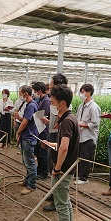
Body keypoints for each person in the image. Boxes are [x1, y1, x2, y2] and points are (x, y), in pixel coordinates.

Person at [43, 84, 80, 221]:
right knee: (65, 201)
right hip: (67, 168)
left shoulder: (66, 122)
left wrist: (57, 169)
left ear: (62, 103)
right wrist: (50, 144)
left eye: (52, 102)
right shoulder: (70, 118)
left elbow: (64, 148)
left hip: (63, 170)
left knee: (61, 203)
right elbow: (63, 146)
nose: (51, 104)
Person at [42, 73, 68, 212]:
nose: (49, 86)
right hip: (52, 134)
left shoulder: (61, 102)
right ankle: (53, 194)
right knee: (51, 163)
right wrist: (50, 122)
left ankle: (57, 200)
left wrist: (58, 123)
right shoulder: (55, 100)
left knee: (56, 166)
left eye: (51, 84)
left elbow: (61, 118)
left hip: (57, 135)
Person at [75, 84, 101, 184]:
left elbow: (95, 124)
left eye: (82, 92)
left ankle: (83, 178)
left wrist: (82, 124)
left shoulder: (94, 107)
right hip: (80, 135)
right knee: (79, 156)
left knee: (85, 157)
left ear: (89, 93)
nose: (81, 94)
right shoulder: (81, 106)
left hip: (88, 136)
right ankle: (78, 175)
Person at [16, 85, 38, 195]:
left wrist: (18, 132)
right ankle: (27, 181)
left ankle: (32, 185)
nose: (20, 96)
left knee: (30, 162)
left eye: (20, 94)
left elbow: (25, 123)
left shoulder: (31, 105)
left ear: (25, 94)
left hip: (28, 137)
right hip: (27, 136)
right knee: (26, 161)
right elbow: (26, 120)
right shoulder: (30, 104)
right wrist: (18, 117)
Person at [33, 81, 50, 179]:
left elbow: (44, 114)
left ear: (39, 91)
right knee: (38, 152)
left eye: (35, 91)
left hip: (43, 130)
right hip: (39, 130)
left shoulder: (46, 101)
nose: (34, 93)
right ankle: (39, 171)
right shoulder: (41, 100)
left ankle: (44, 172)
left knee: (43, 152)